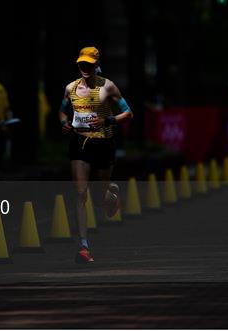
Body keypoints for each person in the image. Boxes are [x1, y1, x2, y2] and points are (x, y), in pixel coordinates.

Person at [59, 46, 133, 264]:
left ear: (96, 65)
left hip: (103, 143)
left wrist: (107, 120)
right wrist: (64, 122)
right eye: (82, 64)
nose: (85, 68)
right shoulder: (70, 88)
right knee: (80, 193)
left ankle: (111, 193)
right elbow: (63, 109)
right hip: (80, 143)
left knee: (100, 198)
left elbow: (128, 113)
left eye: (89, 65)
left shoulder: (108, 87)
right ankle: (83, 246)